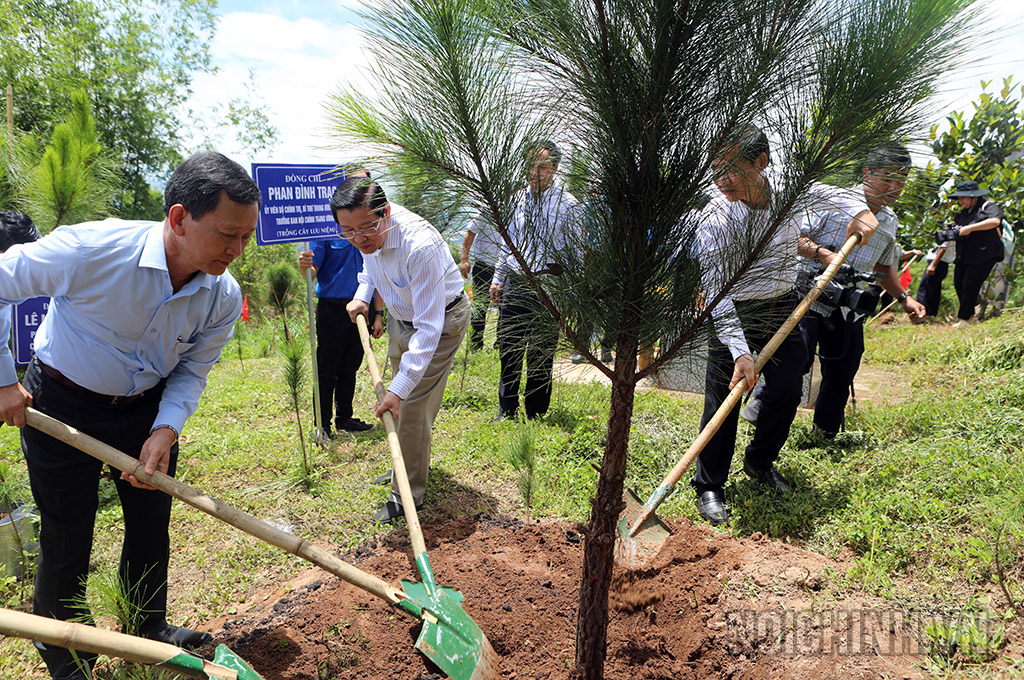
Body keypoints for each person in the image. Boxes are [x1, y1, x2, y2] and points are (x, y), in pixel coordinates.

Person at [0, 151, 260, 680]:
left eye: (246, 237)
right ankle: (67, 652)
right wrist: (4, 379)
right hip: (62, 401)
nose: (236, 251)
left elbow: (192, 370)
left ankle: (147, 627)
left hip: (146, 408)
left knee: (150, 522)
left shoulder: (222, 295)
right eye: (227, 234)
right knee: (68, 531)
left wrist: (166, 428)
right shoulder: (91, 250)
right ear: (180, 218)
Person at [692, 126, 878, 527]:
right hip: (733, 312)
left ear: (761, 163)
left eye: (730, 169)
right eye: (716, 169)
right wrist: (740, 352)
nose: (721, 180)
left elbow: (833, 193)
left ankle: (760, 462)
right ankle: (710, 485)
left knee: (788, 390)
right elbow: (716, 292)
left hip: (782, 307)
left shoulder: (791, 192)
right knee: (723, 401)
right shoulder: (715, 218)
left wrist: (861, 214)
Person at [337, 177, 470, 525]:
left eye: (366, 228)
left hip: (440, 322)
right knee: (405, 401)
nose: (359, 238)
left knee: (409, 405)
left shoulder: (419, 246)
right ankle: (405, 464)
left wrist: (399, 391)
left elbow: (429, 328)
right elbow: (371, 265)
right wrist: (363, 297)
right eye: (348, 231)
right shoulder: (365, 233)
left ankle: (406, 493)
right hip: (402, 316)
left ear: (386, 213)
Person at [796, 143, 926, 438]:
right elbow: (793, 238)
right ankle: (765, 417)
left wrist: (905, 298)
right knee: (795, 360)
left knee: (844, 365)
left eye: (901, 179)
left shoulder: (889, 221)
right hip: (808, 297)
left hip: (847, 306)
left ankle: (825, 434)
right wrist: (824, 254)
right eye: (886, 177)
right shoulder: (836, 201)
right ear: (867, 173)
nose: (893, 187)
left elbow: (883, 267)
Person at [489, 140, 579, 421]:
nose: (534, 173)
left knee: (541, 351)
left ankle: (536, 412)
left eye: (541, 166)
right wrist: (498, 278)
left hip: (549, 285)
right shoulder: (516, 199)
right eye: (530, 166)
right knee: (509, 346)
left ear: (554, 167)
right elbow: (507, 242)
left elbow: (576, 253)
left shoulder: (568, 204)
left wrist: (570, 295)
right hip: (516, 281)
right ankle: (507, 409)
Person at [298, 234, 382, 439]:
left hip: (364, 309)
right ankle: (321, 425)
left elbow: (378, 275)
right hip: (333, 309)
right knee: (327, 370)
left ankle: (345, 419)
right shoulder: (324, 233)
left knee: (350, 366)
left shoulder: (364, 231)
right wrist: (303, 266)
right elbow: (311, 272)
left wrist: (379, 314)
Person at [944, 180, 1005, 328]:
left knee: (970, 285)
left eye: (963, 198)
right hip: (965, 254)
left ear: (974, 196)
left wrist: (970, 228)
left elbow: (995, 221)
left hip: (985, 254)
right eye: (959, 198)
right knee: (959, 284)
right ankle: (971, 317)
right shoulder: (962, 214)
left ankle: (964, 320)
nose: (960, 201)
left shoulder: (988, 207)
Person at [459, 215, 503, 351]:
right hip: (484, 265)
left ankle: (500, 345)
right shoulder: (486, 211)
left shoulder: (518, 208)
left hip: (505, 267)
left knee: (505, 306)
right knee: (480, 306)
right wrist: (464, 259)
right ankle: (476, 345)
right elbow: (470, 233)